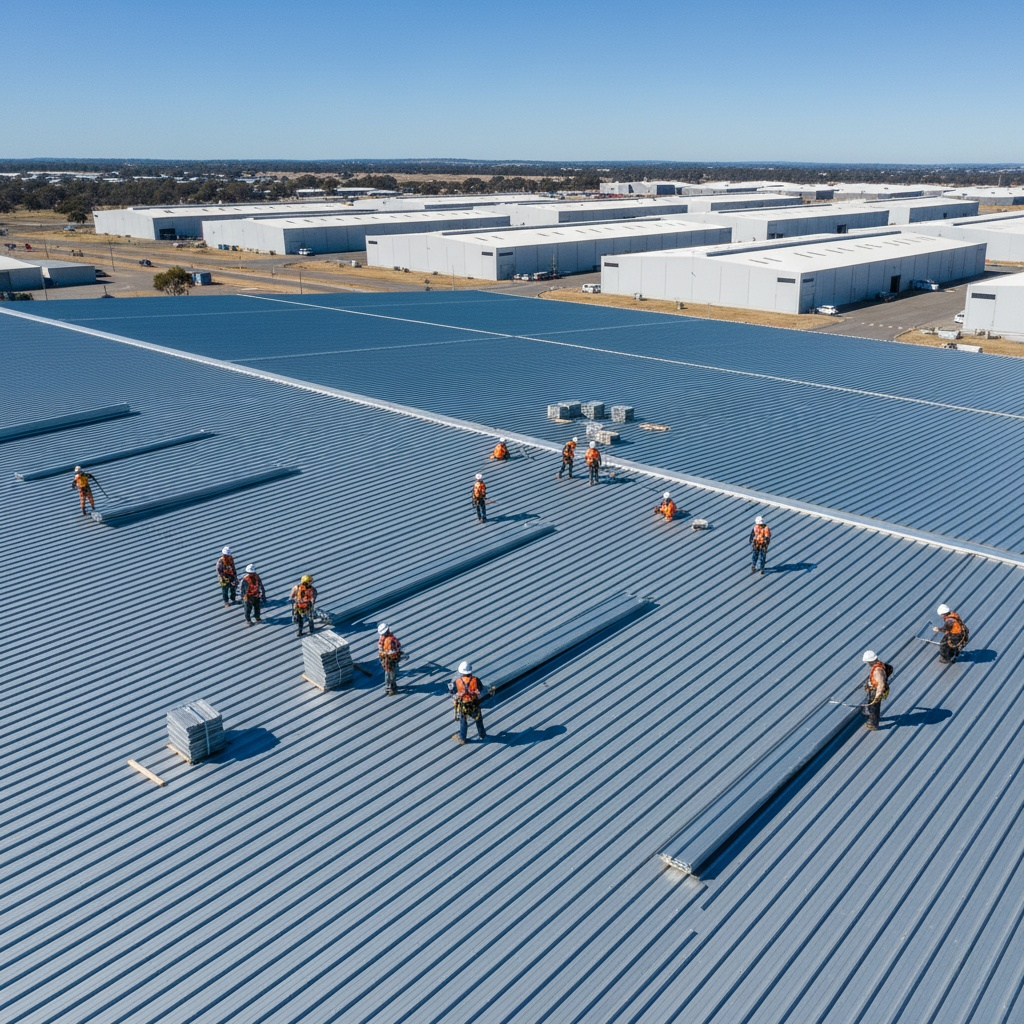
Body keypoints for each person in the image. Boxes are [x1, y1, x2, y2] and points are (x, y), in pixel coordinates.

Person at [449, 660, 495, 744]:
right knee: (478, 719)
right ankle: (482, 734)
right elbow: (481, 689)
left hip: (464, 704)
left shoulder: (457, 682)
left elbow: (452, 691)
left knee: (463, 721)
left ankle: (462, 737)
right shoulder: (475, 680)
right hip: (474, 703)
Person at [861, 650, 892, 731]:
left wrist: (877, 697)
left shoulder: (877, 671)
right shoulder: (880, 664)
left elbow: (881, 684)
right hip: (876, 689)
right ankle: (874, 718)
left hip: (876, 691)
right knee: (871, 705)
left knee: (874, 707)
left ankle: (873, 724)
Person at [378, 622, 403, 695]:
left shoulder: (382, 638)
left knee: (387, 673)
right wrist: (399, 653)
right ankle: (392, 688)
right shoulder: (389, 640)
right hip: (391, 660)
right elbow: (392, 652)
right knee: (392, 673)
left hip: (385, 660)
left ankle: (388, 686)